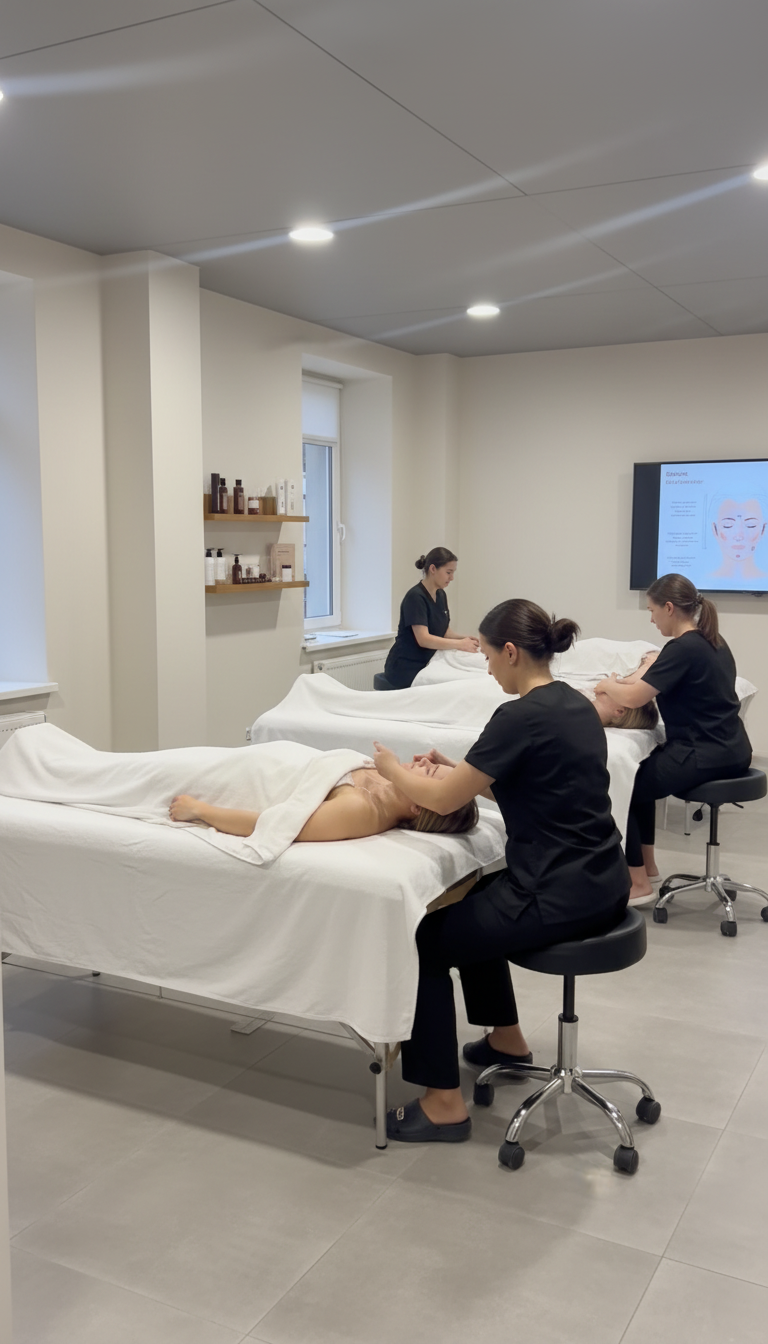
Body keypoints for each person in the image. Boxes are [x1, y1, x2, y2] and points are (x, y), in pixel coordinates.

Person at [371, 598, 630, 1144]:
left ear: (511, 652)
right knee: (478, 898)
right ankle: (507, 1040)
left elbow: (442, 801)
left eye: (488, 657)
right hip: (604, 882)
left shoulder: (518, 716)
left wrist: (392, 770)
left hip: (556, 894)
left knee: (424, 941)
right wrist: (461, 771)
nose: (487, 669)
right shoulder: (575, 704)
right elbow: (538, 783)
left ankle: (442, 1104)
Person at [594, 573, 752, 905]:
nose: (651, 620)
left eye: (652, 611)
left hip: (704, 752)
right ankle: (647, 866)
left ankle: (638, 882)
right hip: (734, 748)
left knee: (626, 785)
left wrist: (607, 685)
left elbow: (635, 697)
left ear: (668, 608)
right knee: (642, 776)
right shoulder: (713, 641)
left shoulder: (682, 648)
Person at [169, 758, 478, 842]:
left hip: (243, 778)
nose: (422, 761)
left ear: (417, 806)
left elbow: (274, 825)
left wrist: (201, 810)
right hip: (256, 760)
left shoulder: (360, 811)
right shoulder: (389, 779)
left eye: (429, 770)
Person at [383, 547, 479, 689]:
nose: (452, 578)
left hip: (428, 660)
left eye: (453, 573)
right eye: (448, 572)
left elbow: (444, 632)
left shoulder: (440, 595)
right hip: (406, 666)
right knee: (453, 685)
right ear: (433, 569)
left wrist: (467, 639)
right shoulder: (415, 597)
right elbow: (424, 639)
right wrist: (460, 644)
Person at [709, 493, 767, 582]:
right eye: (727, 525)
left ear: (763, 529)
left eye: (751, 525)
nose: (739, 535)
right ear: (715, 529)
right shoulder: (705, 580)